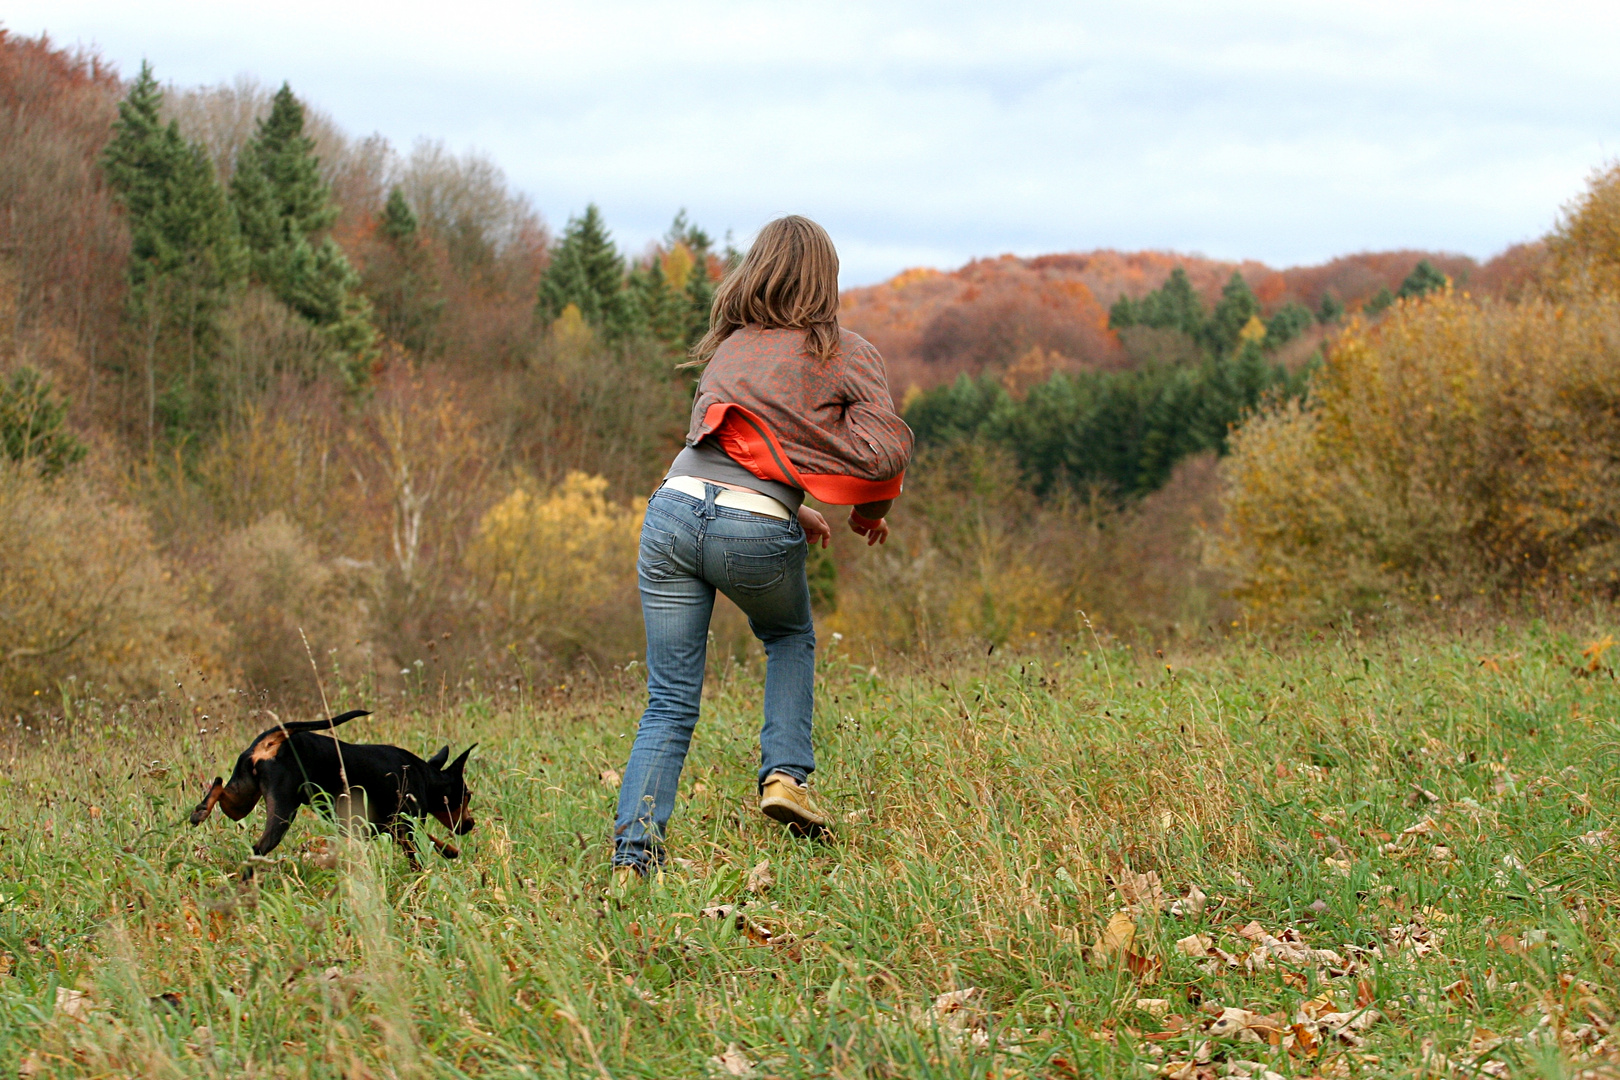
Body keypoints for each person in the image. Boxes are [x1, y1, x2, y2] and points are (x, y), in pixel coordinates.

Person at [611, 215, 913, 883]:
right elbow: (884, 447)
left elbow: (729, 446)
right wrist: (869, 511)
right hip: (751, 528)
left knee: (669, 699)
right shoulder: (843, 350)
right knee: (787, 637)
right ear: (826, 279)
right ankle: (785, 776)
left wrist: (791, 505)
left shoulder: (730, 348)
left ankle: (632, 862)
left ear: (759, 271)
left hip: (671, 511)